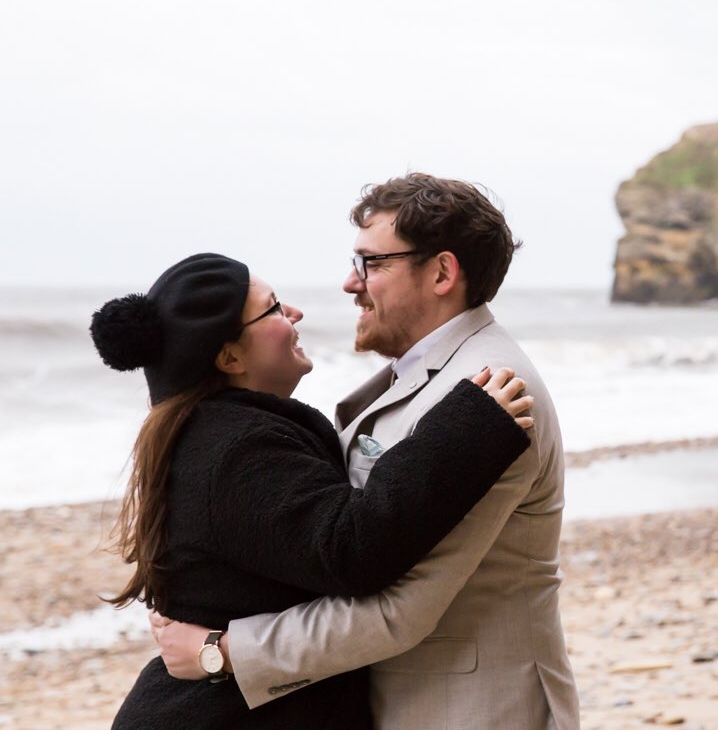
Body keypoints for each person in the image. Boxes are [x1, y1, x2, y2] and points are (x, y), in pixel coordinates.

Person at [156, 174, 580, 728]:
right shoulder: (428, 379)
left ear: (442, 273)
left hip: (474, 708)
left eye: (372, 264)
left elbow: (400, 608)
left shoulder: (490, 393)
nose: (350, 284)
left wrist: (223, 649)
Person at [91, 252, 535, 728]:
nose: (296, 313)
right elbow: (353, 548)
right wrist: (467, 429)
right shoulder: (237, 450)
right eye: (275, 307)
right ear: (229, 356)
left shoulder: (217, 433)